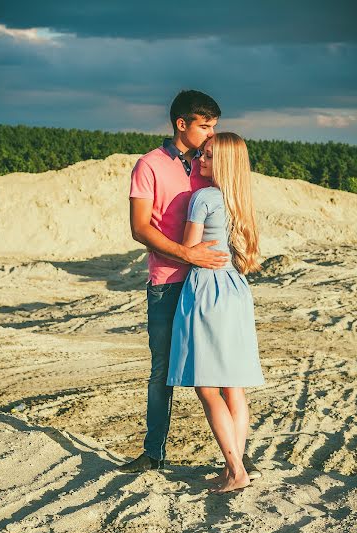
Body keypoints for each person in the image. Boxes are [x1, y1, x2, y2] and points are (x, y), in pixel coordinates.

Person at [119, 91, 261, 480]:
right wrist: (187, 254)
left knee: (224, 378)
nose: (212, 133)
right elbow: (140, 227)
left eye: (215, 126)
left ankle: (238, 459)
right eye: (205, 125)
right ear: (182, 124)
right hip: (168, 281)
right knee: (162, 371)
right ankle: (154, 452)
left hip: (210, 286)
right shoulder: (149, 165)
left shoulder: (210, 166)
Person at [166, 132, 265, 493]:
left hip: (207, 289)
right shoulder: (241, 200)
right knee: (233, 387)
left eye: (207, 156)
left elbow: (189, 250)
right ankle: (235, 468)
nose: (200, 161)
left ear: (223, 161)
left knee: (207, 387)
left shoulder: (203, 196)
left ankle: (236, 470)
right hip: (236, 290)